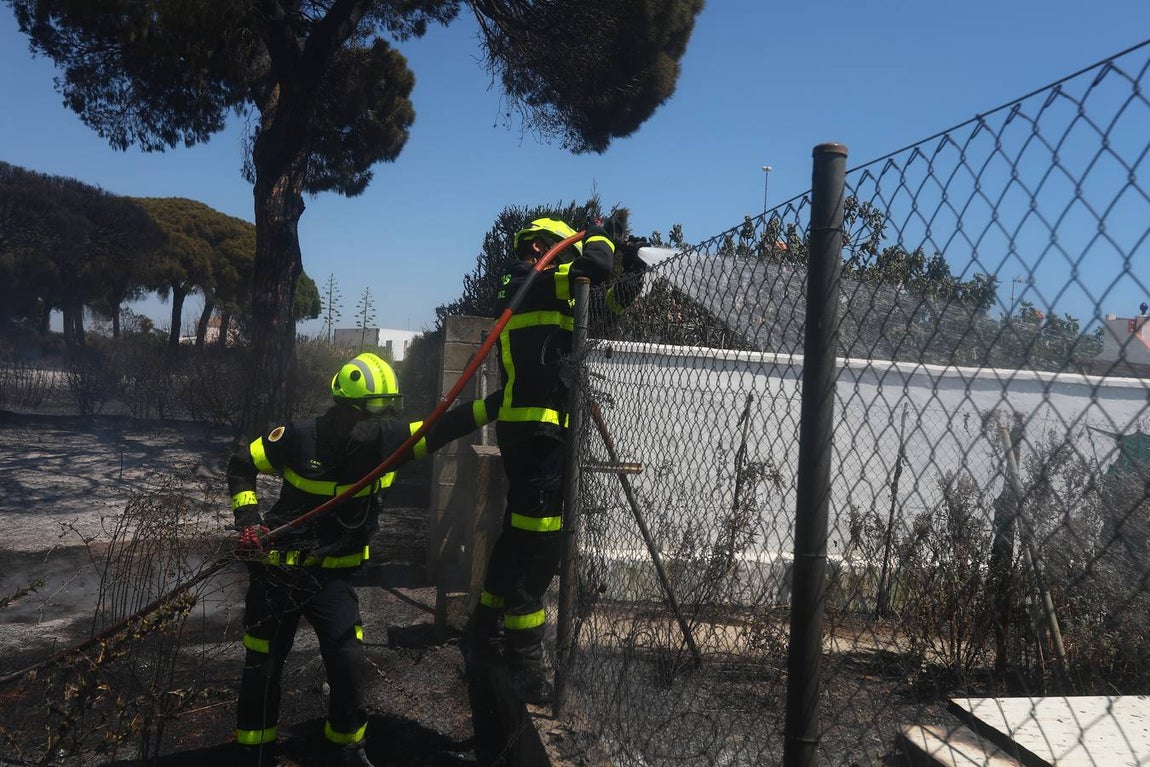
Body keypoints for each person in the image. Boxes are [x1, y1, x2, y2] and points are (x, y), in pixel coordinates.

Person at [227, 352, 499, 766]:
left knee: (349, 661)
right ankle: (254, 752)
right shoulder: (298, 437)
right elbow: (242, 464)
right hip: (277, 573)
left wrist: (503, 400)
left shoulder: (389, 442)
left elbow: (446, 425)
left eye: (385, 413)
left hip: (331, 581)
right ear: (343, 410)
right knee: (262, 665)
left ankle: (346, 747)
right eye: (369, 414)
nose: (378, 423)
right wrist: (249, 519)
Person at [464, 216, 647, 705]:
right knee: (540, 548)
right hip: (540, 434)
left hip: (540, 432)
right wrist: (601, 240)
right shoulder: (527, 281)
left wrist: (634, 268)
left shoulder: (548, 292)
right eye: (563, 251)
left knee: (516, 535)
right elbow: (593, 265)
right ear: (544, 248)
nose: (569, 261)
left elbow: (605, 302)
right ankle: (524, 661)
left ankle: (482, 630)